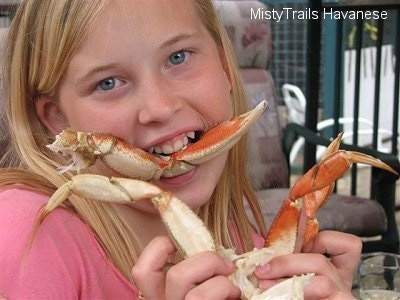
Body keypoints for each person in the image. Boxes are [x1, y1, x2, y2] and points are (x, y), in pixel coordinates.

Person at [0, 0, 360, 299]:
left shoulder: (244, 243)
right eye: (107, 82)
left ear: (223, 65)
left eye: (178, 57)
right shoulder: (24, 233)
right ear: (58, 120)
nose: (159, 107)